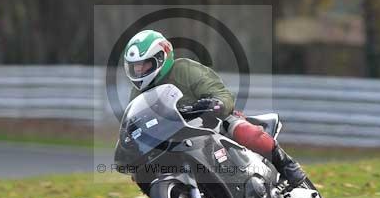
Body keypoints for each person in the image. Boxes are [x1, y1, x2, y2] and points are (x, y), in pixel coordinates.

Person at [123, 29, 310, 189]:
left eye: (144, 65)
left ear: (160, 57)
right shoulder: (137, 94)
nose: (139, 72)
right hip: (173, 139)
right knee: (141, 173)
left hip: (211, 122)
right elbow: (134, 123)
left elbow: (221, 93)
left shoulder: (185, 69)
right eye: (135, 68)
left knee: (244, 132)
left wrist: (215, 103)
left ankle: (287, 165)